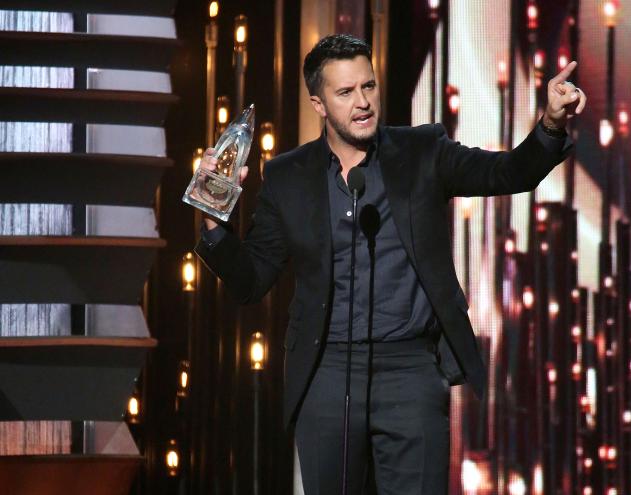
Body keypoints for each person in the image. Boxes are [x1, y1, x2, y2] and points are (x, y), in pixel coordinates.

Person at [195, 34, 586, 495]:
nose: (362, 103)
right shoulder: (288, 175)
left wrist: (550, 124)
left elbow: (509, 172)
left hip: (410, 372)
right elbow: (252, 279)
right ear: (318, 104)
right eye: (346, 93)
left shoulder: (423, 152)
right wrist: (212, 222)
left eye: (369, 87)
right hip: (327, 370)